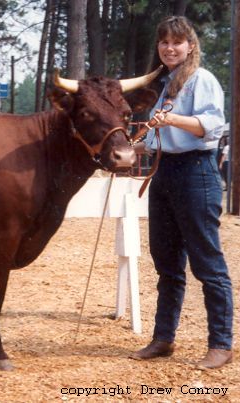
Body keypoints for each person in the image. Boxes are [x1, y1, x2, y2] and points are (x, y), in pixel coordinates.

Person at [130, 16, 233, 369]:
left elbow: (210, 126)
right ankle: (163, 339)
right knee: (167, 264)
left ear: (190, 46)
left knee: (208, 264)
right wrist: (136, 148)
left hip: (197, 174)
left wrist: (171, 121)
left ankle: (221, 344)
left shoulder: (201, 79)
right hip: (165, 173)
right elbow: (161, 137)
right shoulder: (166, 84)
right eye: (164, 42)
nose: (169, 48)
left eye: (177, 42)